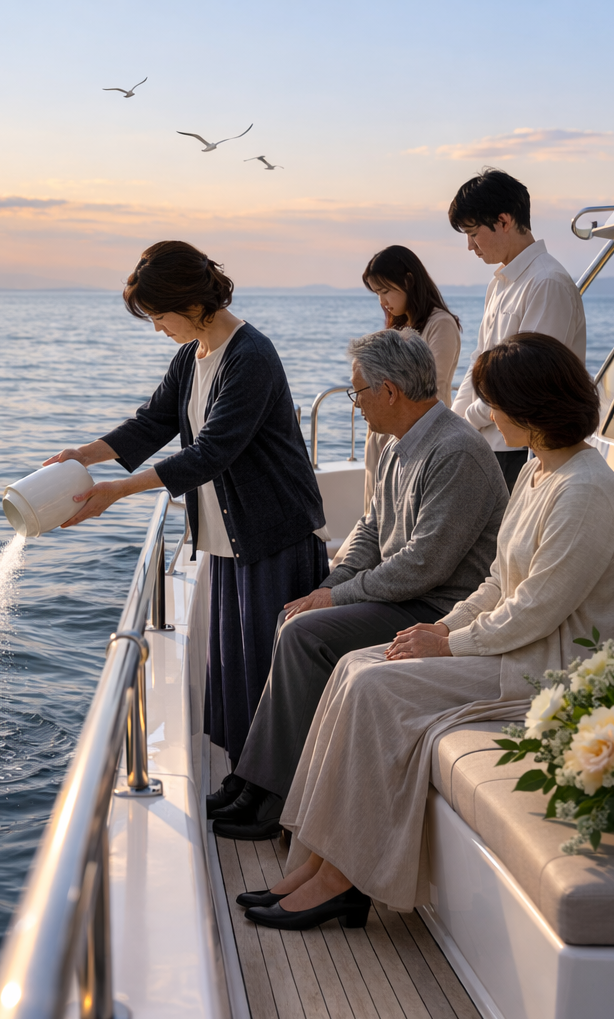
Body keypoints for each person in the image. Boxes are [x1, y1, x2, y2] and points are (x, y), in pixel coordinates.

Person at [239, 333, 614, 932]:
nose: (486, 414)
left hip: (546, 668)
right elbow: (500, 582)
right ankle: (318, 859)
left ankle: (345, 879)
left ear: (531, 406)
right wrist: (441, 627)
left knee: (375, 688)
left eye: (494, 401)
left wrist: (447, 644)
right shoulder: (539, 470)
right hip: (509, 645)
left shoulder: (585, 491)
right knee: (354, 668)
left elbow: (534, 610)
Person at [44, 240, 327, 779]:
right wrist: (87, 453)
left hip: (273, 534)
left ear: (190, 301)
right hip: (227, 538)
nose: (156, 327)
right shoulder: (192, 354)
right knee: (235, 673)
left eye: (158, 315)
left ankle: (276, 795)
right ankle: (248, 781)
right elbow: (153, 422)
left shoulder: (250, 356)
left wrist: (115, 492)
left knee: (270, 675)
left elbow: (211, 453)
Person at [209, 329, 507, 840]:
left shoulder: (456, 450)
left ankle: (270, 795)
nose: (355, 404)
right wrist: (329, 586)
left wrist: (334, 596)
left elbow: (423, 566)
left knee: (306, 634)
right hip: (408, 595)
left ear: (389, 391)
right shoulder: (400, 443)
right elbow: (371, 530)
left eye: (358, 391)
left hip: (438, 609)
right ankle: (260, 781)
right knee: (296, 616)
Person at [449, 168, 587, 490]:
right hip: (489, 442)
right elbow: (478, 363)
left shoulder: (547, 283)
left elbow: (523, 382)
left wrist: (465, 423)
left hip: (524, 449)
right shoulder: (499, 285)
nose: (470, 246)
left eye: (473, 233)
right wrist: (454, 424)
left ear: (504, 221)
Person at [358, 246, 461, 509]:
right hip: (388, 439)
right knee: (377, 518)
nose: (382, 301)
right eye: (377, 293)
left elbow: (429, 389)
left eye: (385, 290)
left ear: (408, 280)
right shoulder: (401, 327)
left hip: (419, 442)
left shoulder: (440, 324)